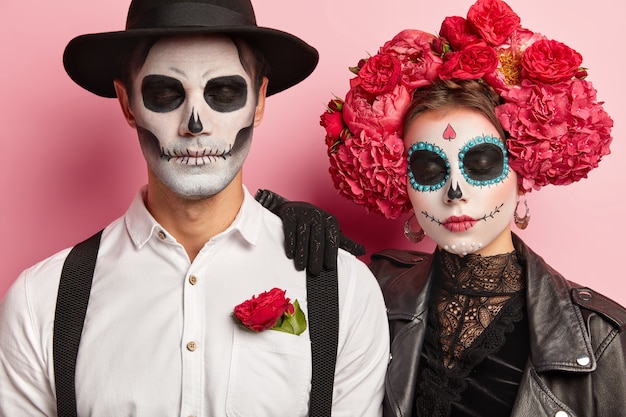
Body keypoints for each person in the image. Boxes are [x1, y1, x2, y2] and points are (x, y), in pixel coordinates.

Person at [0, 0, 389, 416]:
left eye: (223, 92)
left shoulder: (344, 291)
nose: (195, 123)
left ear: (258, 101)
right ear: (127, 103)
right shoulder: (41, 301)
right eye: (166, 93)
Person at [313, 0, 626, 415]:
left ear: (524, 167)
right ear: (400, 182)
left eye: (481, 164)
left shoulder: (601, 336)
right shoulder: (374, 290)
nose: (455, 191)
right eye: (428, 168)